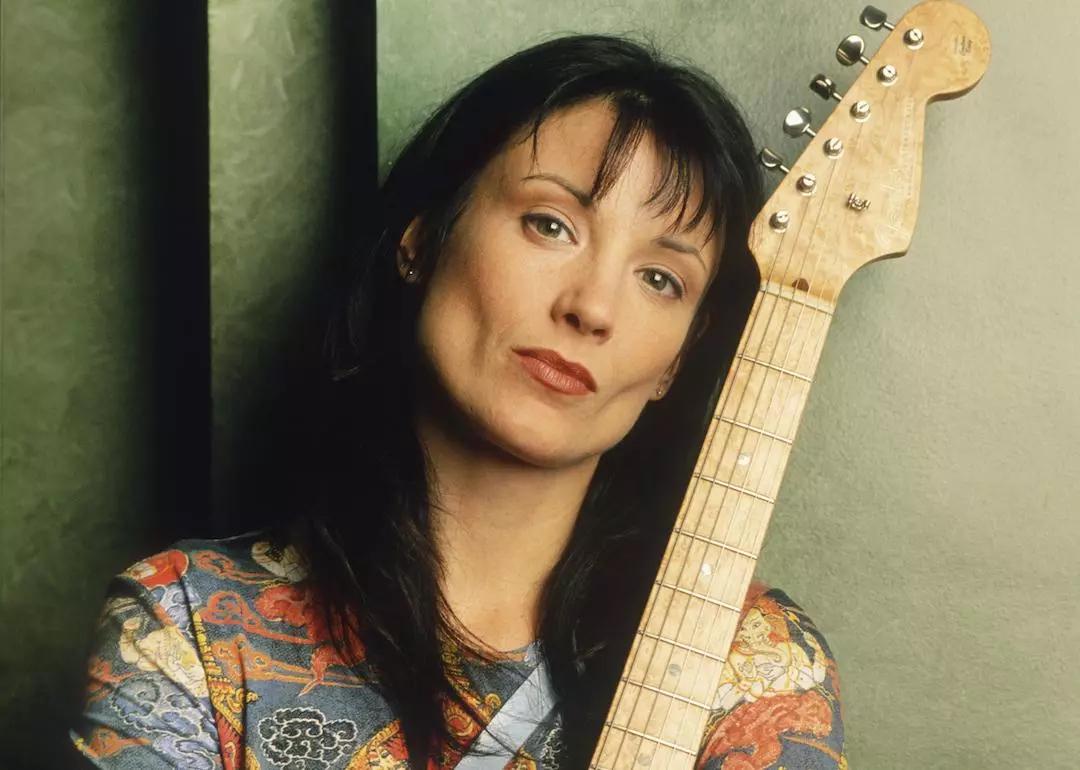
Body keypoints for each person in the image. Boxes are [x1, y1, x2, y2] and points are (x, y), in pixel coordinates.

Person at [69, 34, 846, 770]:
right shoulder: (186, 630)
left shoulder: (752, 666)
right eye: (551, 224)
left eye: (660, 279)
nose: (593, 306)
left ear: (676, 361)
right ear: (421, 237)